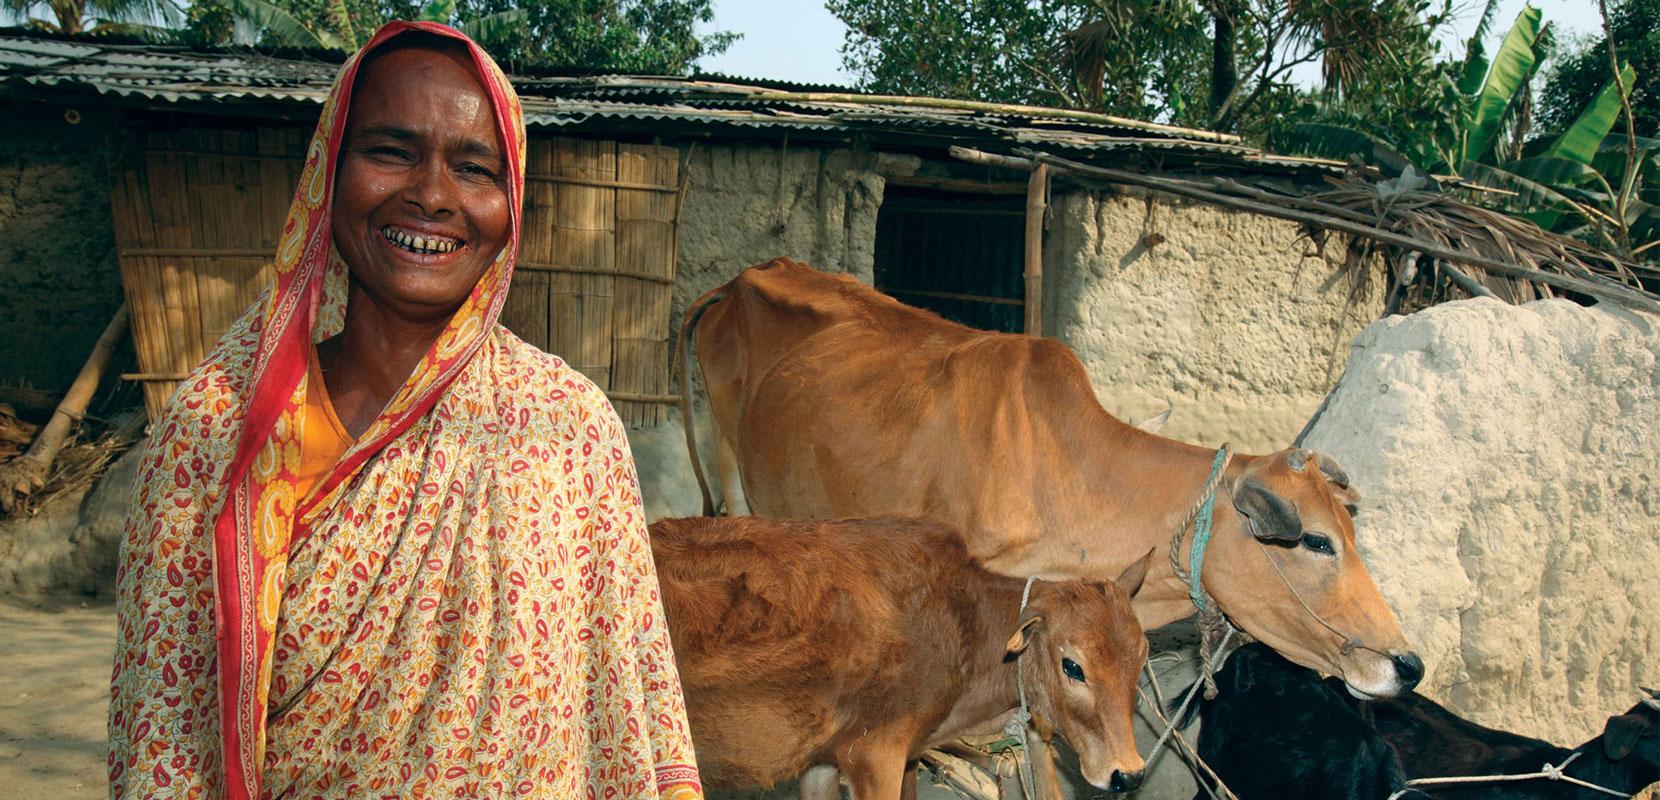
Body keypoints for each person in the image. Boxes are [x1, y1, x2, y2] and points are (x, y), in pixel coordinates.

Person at [107, 21, 703, 800]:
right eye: (390, 151)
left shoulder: (569, 428)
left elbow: (635, 702)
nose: (431, 195)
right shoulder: (214, 429)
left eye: (474, 167)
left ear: (511, 202)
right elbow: (163, 732)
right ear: (329, 172)